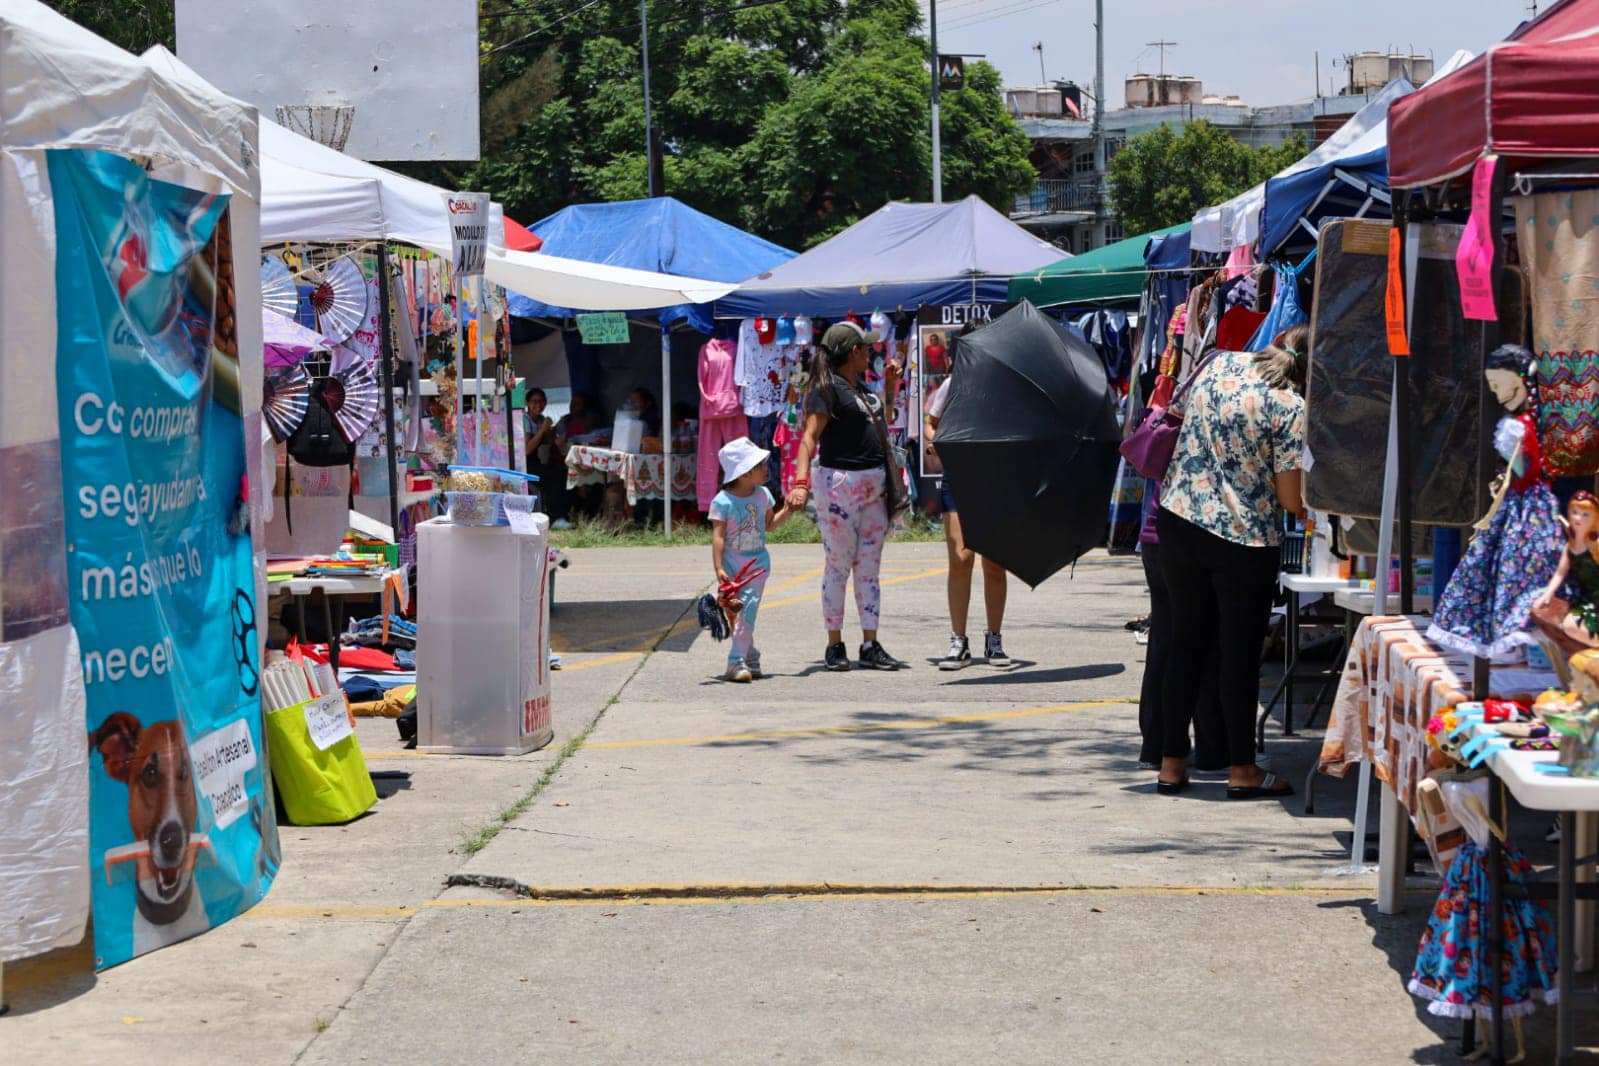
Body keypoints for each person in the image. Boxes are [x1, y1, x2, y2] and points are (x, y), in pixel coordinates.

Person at [1153, 324, 1309, 799]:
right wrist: (1309, 508)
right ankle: (1242, 769)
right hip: (1242, 537)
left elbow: (1175, 416)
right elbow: (1288, 497)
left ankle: (1171, 764)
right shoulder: (1291, 407)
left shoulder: (1217, 363)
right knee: (1238, 656)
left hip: (1179, 518)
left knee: (1185, 644)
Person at [788, 321, 904, 671]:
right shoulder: (827, 389)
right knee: (838, 567)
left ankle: (870, 644)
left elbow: (879, 421)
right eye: (865, 347)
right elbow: (809, 437)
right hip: (839, 485)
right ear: (853, 352)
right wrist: (799, 480)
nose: (870, 352)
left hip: (874, 486)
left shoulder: (861, 388)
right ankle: (834, 645)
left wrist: (892, 387)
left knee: (868, 569)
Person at [924, 360, 1008, 668]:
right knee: (961, 558)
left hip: (996, 480)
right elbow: (931, 422)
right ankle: (958, 641)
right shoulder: (952, 385)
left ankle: (994, 640)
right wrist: (937, 445)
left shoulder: (1004, 387)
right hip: (958, 478)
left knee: (995, 563)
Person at [709, 438, 793, 683]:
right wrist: (719, 567)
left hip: (757, 566)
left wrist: (786, 510)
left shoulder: (763, 495)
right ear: (745, 473)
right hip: (732, 565)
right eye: (760, 464)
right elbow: (718, 537)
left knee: (747, 610)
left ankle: (735, 662)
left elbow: (770, 525)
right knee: (737, 613)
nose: (767, 468)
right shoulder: (722, 502)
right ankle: (751, 655)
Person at [523, 388, 570, 527]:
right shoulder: (524, 420)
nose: (539, 405)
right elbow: (527, 449)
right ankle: (556, 517)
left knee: (561, 472)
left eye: (542, 401)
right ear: (527, 403)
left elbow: (550, 443)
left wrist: (550, 432)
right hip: (524, 465)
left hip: (535, 461)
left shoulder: (541, 420)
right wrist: (542, 430)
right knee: (557, 477)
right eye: (535, 401)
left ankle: (561, 514)